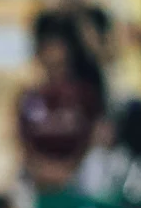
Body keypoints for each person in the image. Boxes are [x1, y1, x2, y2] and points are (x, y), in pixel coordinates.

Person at [17, 33, 103, 193]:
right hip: (37, 176)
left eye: (59, 65)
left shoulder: (84, 95)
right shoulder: (29, 97)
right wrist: (42, 168)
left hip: (76, 176)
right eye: (49, 65)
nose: (55, 72)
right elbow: (21, 141)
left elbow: (94, 137)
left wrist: (69, 168)